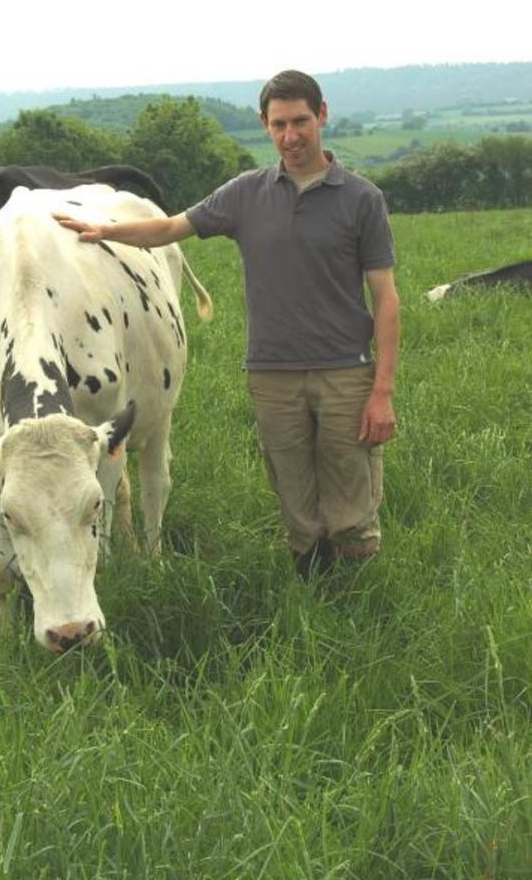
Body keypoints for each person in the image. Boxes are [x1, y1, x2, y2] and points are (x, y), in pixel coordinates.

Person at [54, 70, 400, 578]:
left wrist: (382, 391)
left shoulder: (361, 199)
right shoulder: (247, 194)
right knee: (295, 498)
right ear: (265, 124)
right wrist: (105, 229)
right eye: (279, 124)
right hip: (273, 373)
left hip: (344, 371)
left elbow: (386, 298)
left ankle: (362, 593)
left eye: (300, 121)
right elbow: (173, 228)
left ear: (322, 115)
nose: (291, 136)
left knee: (351, 498)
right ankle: (310, 585)